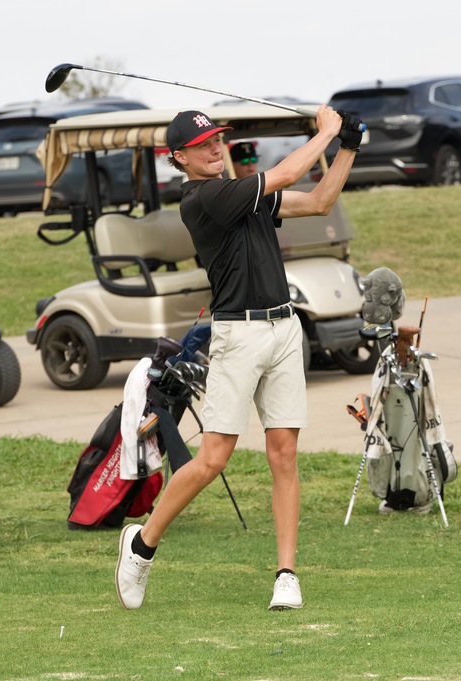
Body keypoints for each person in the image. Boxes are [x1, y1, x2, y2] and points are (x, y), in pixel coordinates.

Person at [115, 105, 362, 611]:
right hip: (237, 336)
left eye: (217, 141)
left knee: (284, 453)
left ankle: (287, 575)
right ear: (179, 158)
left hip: (284, 330)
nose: (213, 149)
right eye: (202, 145)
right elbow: (292, 171)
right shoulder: (204, 198)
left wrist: (349, 148)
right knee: (212, 459)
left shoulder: (245, 196)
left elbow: (318, 201)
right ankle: (141, 546)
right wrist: (327, 132)